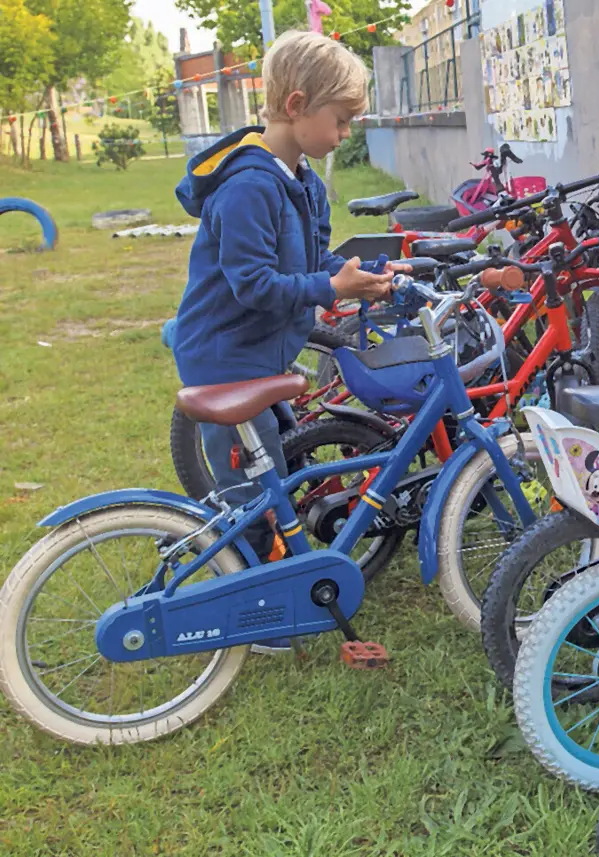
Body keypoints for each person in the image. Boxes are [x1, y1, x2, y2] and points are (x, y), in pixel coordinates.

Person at [171, 30, 396, 653]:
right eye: (341, 120)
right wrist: (329, 288)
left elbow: (314, 259)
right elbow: (252, 285)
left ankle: (273, 561)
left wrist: (360, 279)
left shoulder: (301, 179)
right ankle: (254, 607)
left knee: (281, 468)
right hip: (225, 356)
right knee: (247, 491)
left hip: (263, 353)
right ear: (296, 105)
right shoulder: (249, 186)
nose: (345, 134)